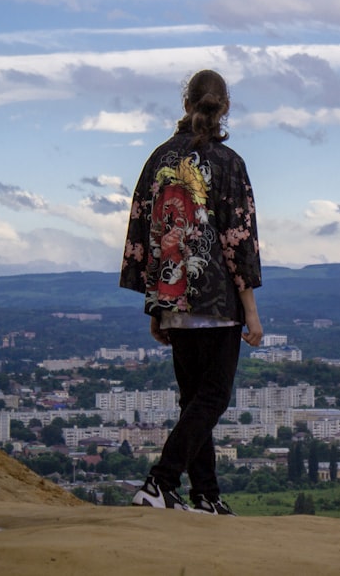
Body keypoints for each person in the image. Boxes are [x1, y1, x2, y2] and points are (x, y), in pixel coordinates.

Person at [120, 69, 263, 515]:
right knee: (213, 398)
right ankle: (160, 482)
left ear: (187, 103)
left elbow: (144, 232)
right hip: (217, 303)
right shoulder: (228, 163)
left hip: (172, 299)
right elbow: (238, 240)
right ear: (224, 108)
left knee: (193, 402)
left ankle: (206, 495)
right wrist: (251, 312)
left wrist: (156, 306)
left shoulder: (158, 160)